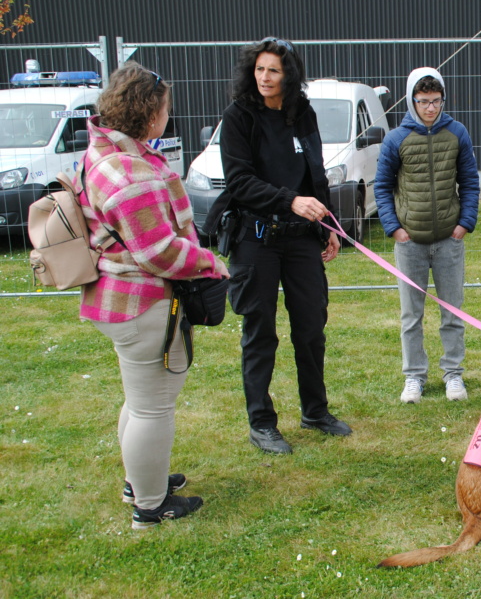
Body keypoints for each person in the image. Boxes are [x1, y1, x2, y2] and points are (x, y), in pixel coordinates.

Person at [79, 62, 229, 529]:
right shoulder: (131, 173)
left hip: (119, 296)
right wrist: (209, 262)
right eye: (164, 108)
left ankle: (140, 481)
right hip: (140, 301)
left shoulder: (105, 153)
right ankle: (150, 504)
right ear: (148, 113)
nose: (168, 115)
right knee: (152, 406)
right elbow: (159, 251)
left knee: (140, 399)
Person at [220, 36, 351, 455]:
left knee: (311, 328)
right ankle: (261, 422)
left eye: (273, 70)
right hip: (256, 239)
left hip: (299, 242)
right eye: (259, 69)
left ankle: (315, 410)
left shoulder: (302, 114)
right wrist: (287, 200)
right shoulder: (239, 117)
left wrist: (328, 224)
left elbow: (316, 174)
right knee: (260, 333)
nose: (264, 77)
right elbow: (239, 182)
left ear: (288, 74)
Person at [375, 67, 480, 403]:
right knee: (411, 316)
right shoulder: (395, 139)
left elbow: (471, 181)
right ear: (411, 101)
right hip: (410, 243)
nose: (430, 108)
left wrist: (464, 224)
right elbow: (381, 187)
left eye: (436, 101)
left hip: (449, 240)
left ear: (443, 100)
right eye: (423, 101)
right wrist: (394, 229)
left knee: (453, 312)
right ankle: (414, 378)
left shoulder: (458, 133)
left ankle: (453, 375)